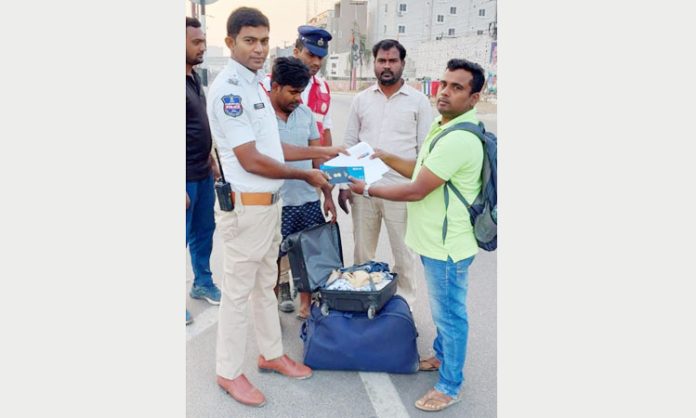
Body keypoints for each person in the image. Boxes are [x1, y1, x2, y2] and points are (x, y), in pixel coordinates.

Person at [206, 7, 330, 408]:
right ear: (230, 43)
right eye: (249, 40)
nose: (259, 48)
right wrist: (306, 176)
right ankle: (228, 371)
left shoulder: (258, 85)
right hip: (247, 209)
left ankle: (271, 354)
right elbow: (250, 159)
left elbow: (273, 150)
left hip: (269, 206)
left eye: (263, 40)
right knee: (238, 294)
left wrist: (327, 151)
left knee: (265, 285)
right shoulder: (230, 90)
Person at [348, 58, 487, 412]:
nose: (445, 93)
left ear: (474, 97)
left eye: (457, 88)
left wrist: (367, 189)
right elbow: (420, 168)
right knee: (446, 312)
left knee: (450, 315)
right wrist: (384, 156)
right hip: (435, 241)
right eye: (444, 84)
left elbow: (416, 189)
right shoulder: (444, 127)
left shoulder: (459, 138)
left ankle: (450, 384)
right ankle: (442, 357)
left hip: (448, 245)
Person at [337, 39, 432, 309]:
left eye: (392, 61)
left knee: (404, 254)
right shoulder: (361, 100)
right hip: (363, 189)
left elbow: (425, 149)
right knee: (362, 251)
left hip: (401, 191)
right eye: (381, 61)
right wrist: (345, 184)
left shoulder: (418, 101)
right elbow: (349, 142)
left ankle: (405, 308)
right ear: (374, 63)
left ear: (402, 63)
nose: (386, 66)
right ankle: (362, 303)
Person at [263, 57, 340, 318]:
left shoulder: (306, 114)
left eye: (301, 92)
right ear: (275, 86)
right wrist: (324, 150)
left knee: (310, 255)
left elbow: (317, 158)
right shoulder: (262, 116)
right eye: (293, 92)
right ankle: (270, 309)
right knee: (273, 259)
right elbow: (277, 153)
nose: (298, 98)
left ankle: (306, 305)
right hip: (277, 203)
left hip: (308, 200)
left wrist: (328, 194)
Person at [186, 17, 222, 325]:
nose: (202, 46)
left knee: (203, 232)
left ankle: (202, 282)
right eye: (196, 42)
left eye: (203, 41)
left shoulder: (194, 78)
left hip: (202, 173)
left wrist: (212, 159)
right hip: (183, 177)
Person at [294, 25, 334, 146]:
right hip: (286, 162)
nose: (316, 62)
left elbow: (326, 129)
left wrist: (327, 162)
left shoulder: (323, 87)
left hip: (315, 161)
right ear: (296, 52)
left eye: (320, 57)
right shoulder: (274, 84)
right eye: (310, 55)